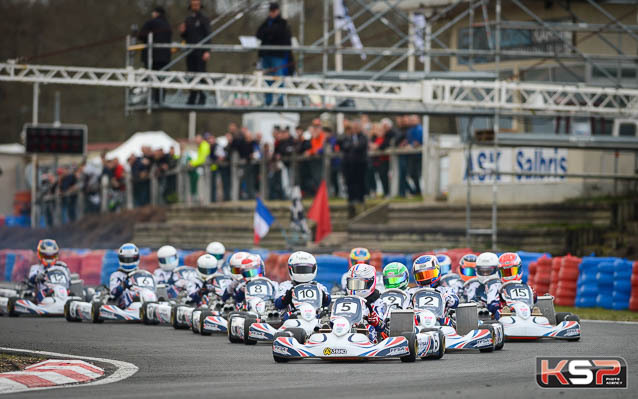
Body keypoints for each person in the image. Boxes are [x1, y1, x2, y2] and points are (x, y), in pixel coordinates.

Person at [256, 2, 293, 105]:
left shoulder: (282, 23)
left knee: (278, 77)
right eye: (270, 11)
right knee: (267, 78)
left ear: (277, 11)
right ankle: (268, 100)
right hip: (266, 55)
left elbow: (276, 33)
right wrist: (268, 31)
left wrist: (267, 33)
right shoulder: (266, 22)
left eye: (273, 11)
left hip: (277, 55)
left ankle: (280, 99)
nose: (271, 13)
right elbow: (259, 34)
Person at [275, 251, 330, 316]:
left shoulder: (318, 286)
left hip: (314, 316)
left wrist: (323, 295)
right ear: (290, 269)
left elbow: (328, 300)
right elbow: (278, 304)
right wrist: (287, 296)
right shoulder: (286, 286)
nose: (303, 273)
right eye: (300, 269)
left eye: (306, 269)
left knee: (324, 316)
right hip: (293, 316)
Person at [408, 255, 459, 325]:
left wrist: (449, 299)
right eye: (421, 276)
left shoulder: (444, 290)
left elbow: (455, 301)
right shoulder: (412, 292)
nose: (426, 278)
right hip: (417, 324)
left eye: (428, 274)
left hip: (441, 323)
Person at [137, 6, 172, 103]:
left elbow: (141, 35)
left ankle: (150, 99)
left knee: (150, 78)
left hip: (152, 57)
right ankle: (160, 100)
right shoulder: (168, 25)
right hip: (165, 58)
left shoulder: (151, 23)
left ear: (156, 13)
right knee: (162, 79)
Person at [344, 263, 386, 342]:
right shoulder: (345, 301)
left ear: (370, 283)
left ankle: (361, 335)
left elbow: (383, 326)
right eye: (352, 284)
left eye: (359, 284)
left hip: (369, 335)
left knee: (369, 328)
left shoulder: (378, 302)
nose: (354, 288)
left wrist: (376, 321)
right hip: (346, 329)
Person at [181, 0, 211, 105]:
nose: (195, 6)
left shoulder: (204, 19)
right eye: (193, 4)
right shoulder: (188, 19)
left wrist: (207, 51)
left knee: (200, 73)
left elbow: (208, 35)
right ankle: (192, 97)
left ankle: (202, 96)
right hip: (190, 51)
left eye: (197, 4)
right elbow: (186, 35)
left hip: (200, 52)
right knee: (190, 73)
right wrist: (183, 32)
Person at [338, 119, 368, 217]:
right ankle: (351, 204)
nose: (354, 130)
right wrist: (352, 146)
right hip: (349, 165)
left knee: (360, 184)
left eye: (356, 128)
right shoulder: (348, 137)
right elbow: (343, 146)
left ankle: (360, 203)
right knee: (350, 185)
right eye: (353, 128)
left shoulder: (363, 137)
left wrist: (352, 146)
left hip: (360, 165)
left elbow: (360, 146)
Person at [463, 252, 502, 320]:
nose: (485, 274)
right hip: (478, 321)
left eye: (488, 271)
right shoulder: (473, 285)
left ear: (496, 269)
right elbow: (467, 305)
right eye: (482, 271)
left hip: (501, 320)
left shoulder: (502, 286)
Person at [109, 243, 142, 309]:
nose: (129, 262)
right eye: (126, 259)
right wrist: (123, 285)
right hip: (123, 301)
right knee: (128, 293)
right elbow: (113, 292)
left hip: (141, 297)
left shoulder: (141, 273)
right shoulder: (116, 275)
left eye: (131, 259)